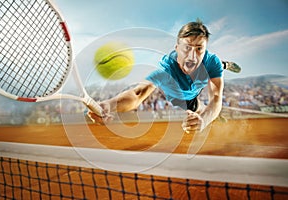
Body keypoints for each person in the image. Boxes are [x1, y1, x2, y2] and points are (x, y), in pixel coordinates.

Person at [88, 19, 239, 133]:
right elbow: (138, 93)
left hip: (197, 85)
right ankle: (213, 114)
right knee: (197, 108)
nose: (192, 56)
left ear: (205, 50)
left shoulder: (212, 61)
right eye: (187, 47)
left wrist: (204, 121)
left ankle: (225, 65)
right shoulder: (166, 67)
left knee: (207, 107)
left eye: (199, 49)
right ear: (177, 48)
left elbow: (216, 98)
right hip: (179, 95)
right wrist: (110, 104)